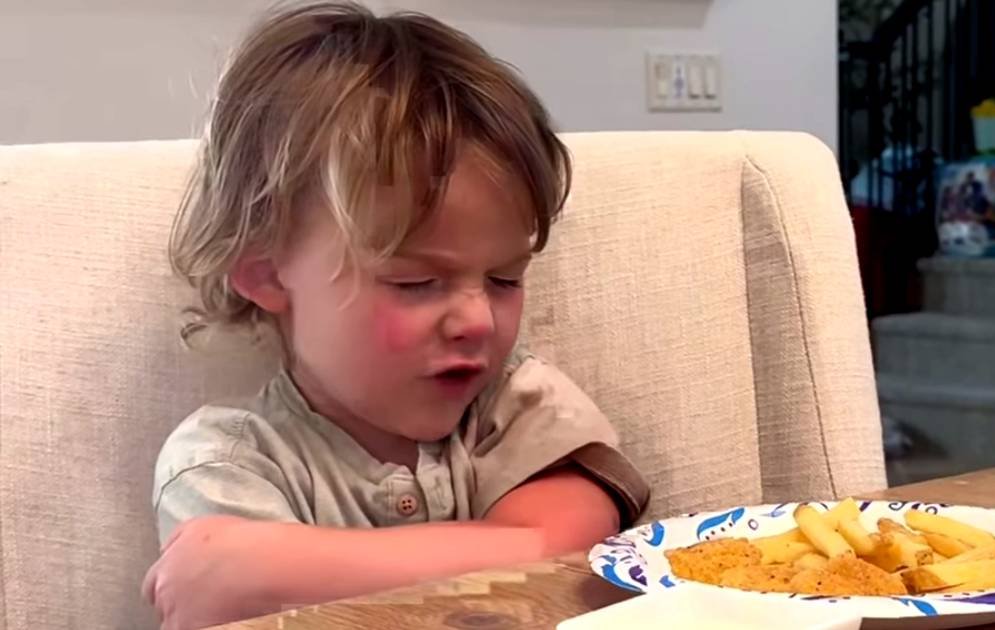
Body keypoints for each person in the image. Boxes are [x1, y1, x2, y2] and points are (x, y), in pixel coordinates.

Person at [141, 4, 649, 628]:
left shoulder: (517, 404)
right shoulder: (227, 463)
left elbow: (567, 556)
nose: (478, 321)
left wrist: (274, 573)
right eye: (416, 282)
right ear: (267, 274)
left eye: (504, 279)